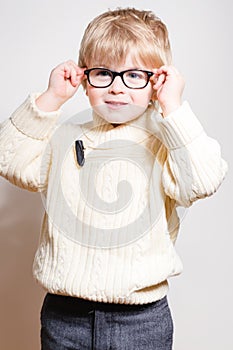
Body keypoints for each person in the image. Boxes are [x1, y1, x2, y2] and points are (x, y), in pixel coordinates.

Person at [0, 7, 228, 350]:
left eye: (134, 75)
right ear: (84, 78)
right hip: (65, 316)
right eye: (103, 73)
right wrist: (51, 99)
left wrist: (175, 109)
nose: (117, 88)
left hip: (141, 320)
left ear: (157, 81)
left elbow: (203, 180)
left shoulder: (167, 137)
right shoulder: (65, 135)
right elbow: (11, 160)